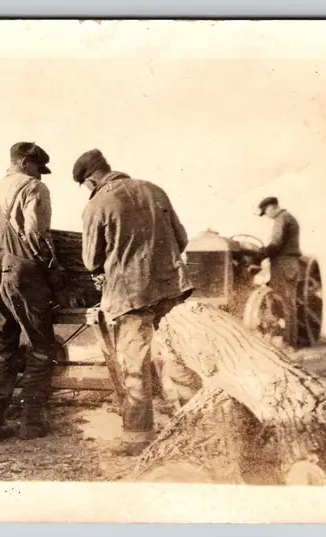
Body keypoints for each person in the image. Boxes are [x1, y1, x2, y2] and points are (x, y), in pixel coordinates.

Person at [74, 149, 193, 456]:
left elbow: (90, 261)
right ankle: (196, 428)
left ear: (90, 182)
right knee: (179, 356)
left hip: (130, 295)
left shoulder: (97, 204)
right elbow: (181, 239)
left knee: (135, 364)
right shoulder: (154, 190)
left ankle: (138, 438)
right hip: (171, 287)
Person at [0, 142, 60, 443]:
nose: (40, 175)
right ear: (24, 162)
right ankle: (31, 422)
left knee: (0, 347)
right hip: (21, 269)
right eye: (37, 167)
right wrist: (51, 268)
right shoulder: (33, 187)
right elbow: (37, 233)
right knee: (41, 345)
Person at [257, 196, 302, 348]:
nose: (267, 216)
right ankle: (291, 342)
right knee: (289, 303)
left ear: (272, 208)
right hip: (291, 263)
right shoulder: (289, 218)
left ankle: (287, 343)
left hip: (283, 263)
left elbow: (276, 244)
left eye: (266, 212)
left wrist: (260, 254)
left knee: (282, 302)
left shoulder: (281, 219)